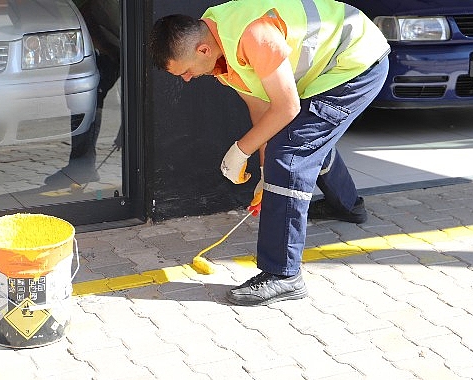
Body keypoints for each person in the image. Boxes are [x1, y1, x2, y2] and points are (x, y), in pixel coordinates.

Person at [148, 0, 390, 306]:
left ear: (202, 51)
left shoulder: (252, 34)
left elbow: (287, 108)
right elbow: (265, 116)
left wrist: (240, 150)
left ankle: (283, 275)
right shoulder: (218, 54)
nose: (186, 79)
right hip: (329, 69)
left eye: (184, 72)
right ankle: (348, 206)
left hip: (356, 62)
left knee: (290, 158)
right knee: (299, 143)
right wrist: (265, 176)